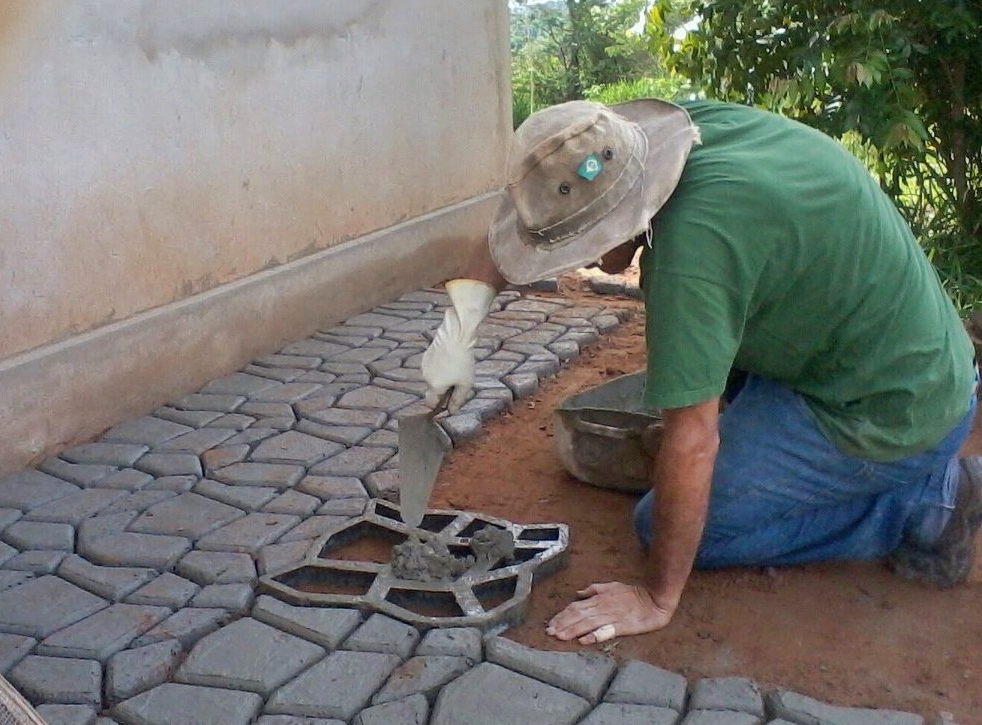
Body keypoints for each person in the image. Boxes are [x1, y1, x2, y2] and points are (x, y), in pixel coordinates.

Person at [419, 98, 981, 646]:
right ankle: (773, 446)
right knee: (692, 402)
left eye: (581, 241)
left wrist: (656, 598)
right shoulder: (649, 137)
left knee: (669, 526)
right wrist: (456, 337)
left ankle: (929, 502)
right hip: (873, 350)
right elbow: (519, 215)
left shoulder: (693, 251)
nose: (582, 261)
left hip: (889, 409)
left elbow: (692, 442)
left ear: (621, 215)